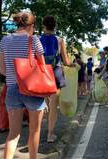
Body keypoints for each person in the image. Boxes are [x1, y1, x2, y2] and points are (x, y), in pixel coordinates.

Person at [0, 11, 49, 159]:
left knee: (13, 133)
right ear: (30, 25)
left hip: (12, 89)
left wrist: (15, 73)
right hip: (32, 90)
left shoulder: (5, 40)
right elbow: (42, 66)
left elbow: (2, 71)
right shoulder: (33, 40)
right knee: (34, 130)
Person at [40, 15, 74, 143]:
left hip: (43, 73)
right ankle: (50, 133)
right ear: (55, 26)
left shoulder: (37, 39)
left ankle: (47, 126)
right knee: (54, 104)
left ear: (43, 26)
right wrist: (74, 64)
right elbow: (65, 61)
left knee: (47, 103)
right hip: (56, 72)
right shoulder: (59, 40)